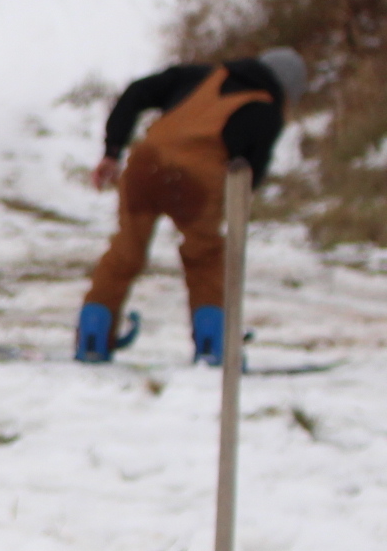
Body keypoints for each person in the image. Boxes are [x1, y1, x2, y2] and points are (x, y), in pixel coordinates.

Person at [76, 48, 305, 366]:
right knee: (205, 257)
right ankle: (212, 348)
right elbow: (247, 172)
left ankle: (92, 339)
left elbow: (136, 92)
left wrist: (113, 149)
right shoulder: (265, 110)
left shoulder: (202, 76)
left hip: (145, 165)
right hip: (195, 183)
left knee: (125, 252)